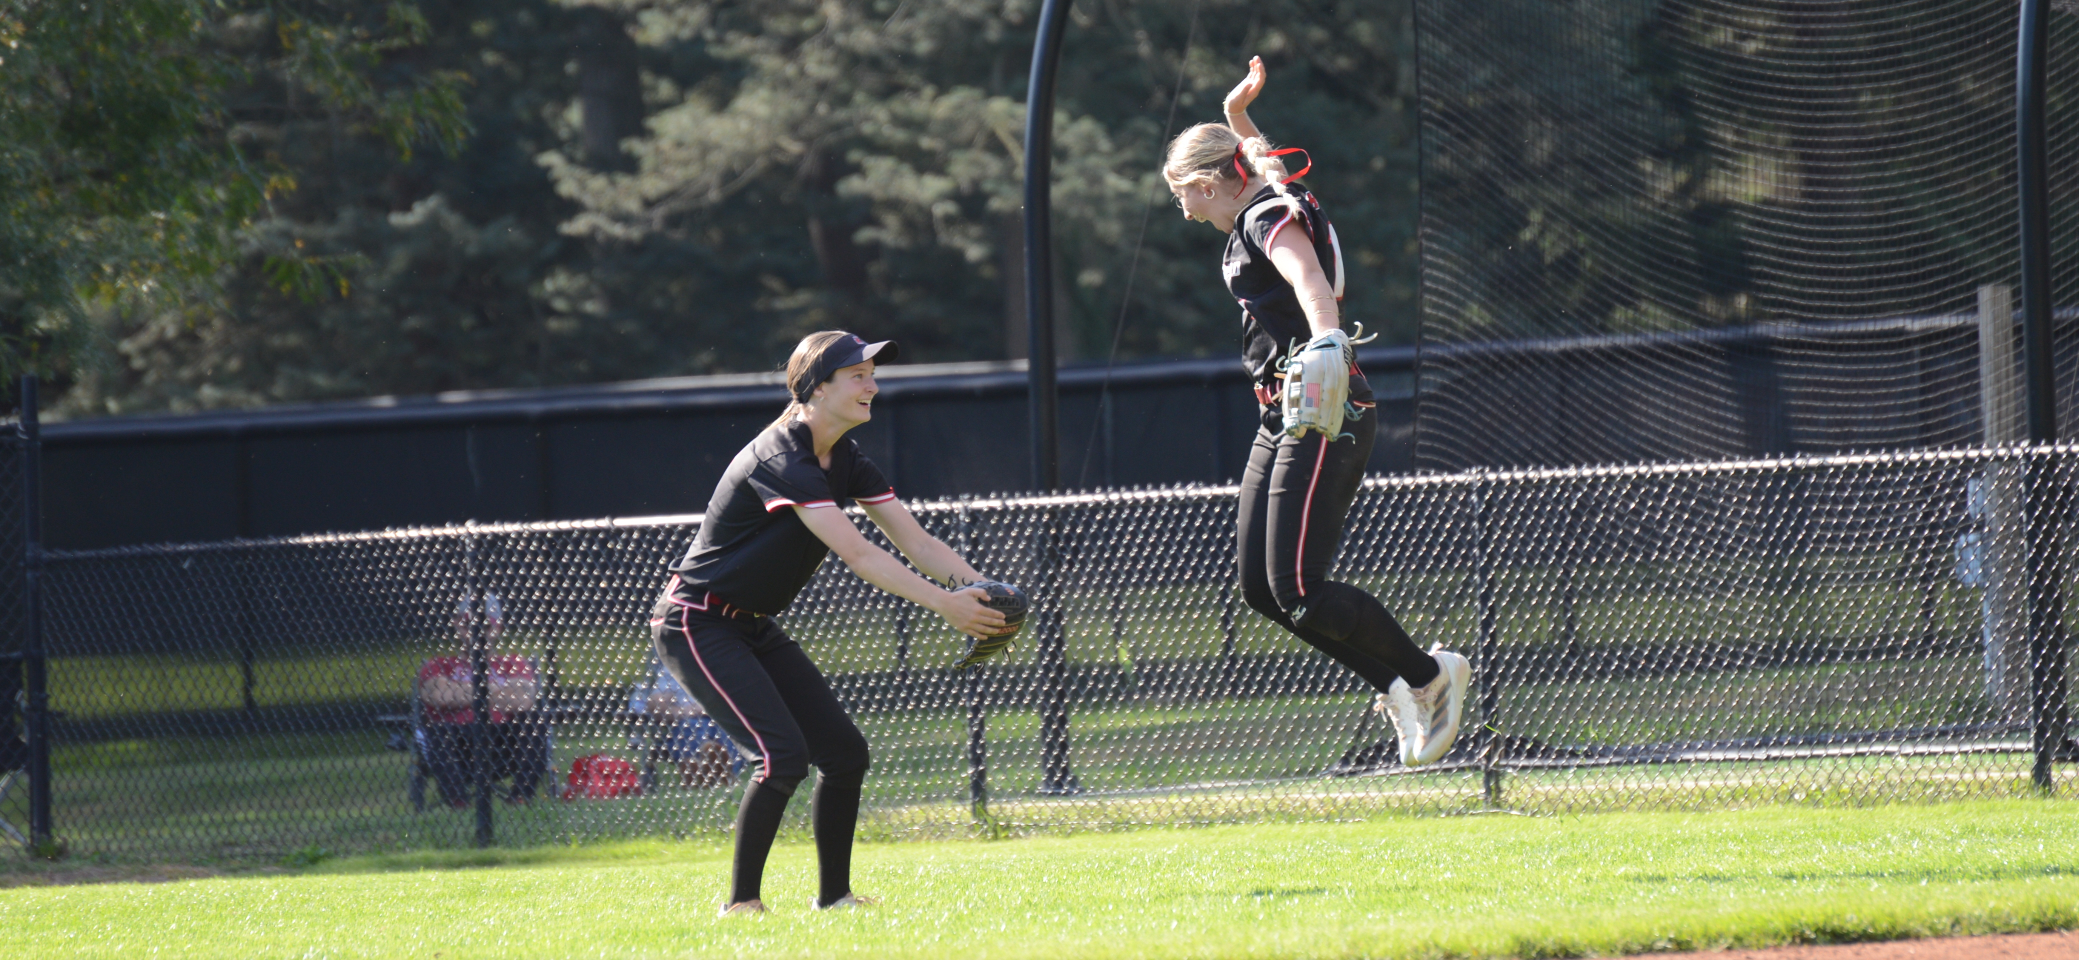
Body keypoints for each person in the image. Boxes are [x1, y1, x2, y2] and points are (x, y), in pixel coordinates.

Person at [1163, 57, 1471, 767]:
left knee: (1298, 587)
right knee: (1261, 590)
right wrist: (1235, 114)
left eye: (1185, 197)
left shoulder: (1264, 214)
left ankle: (1428, 675)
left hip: (1323, 409)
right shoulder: (1261, 192)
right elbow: (1261, 163)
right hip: (1282, 414)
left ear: (1208, 184)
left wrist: (1327, 338)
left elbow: (1305, 276)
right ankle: (1401, 686)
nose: (1185, 211)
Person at [651, 330, 1019, 915]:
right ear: (816, 387)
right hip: (697, 622)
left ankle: (835, 898)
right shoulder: (782, 456)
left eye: (873, 373)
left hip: (752, 625)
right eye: (858, 375)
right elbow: (860, 554)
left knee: (844, 754)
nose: (873, 384)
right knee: (779, 758)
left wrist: (979, 590)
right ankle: (741, 905)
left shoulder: (843, 457)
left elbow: (915, 541)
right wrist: (946, 605)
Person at [416, 593, 550, 806]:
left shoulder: (514, 663)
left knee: (535, 722)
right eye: (469, 624)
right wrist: (498, 691)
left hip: (503, 737)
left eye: (486, 626)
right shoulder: (438, 665)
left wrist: (462, 692)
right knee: (437, 732)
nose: (477, 632)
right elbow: (439, 697)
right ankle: (458, 803)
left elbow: (523, 700)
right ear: (458, 625)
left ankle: (520, 798)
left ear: (498, 628)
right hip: (456, 738)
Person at [627, 658, 739, 790]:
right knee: (692, 726)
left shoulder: (728, 661)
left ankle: (705, 770)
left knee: (728, 730)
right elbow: (655, 703)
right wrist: (684, 711)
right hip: (687, 718)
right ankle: (706, 769)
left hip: (722, 718)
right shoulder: (676, 663)